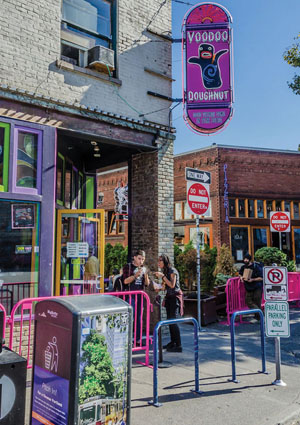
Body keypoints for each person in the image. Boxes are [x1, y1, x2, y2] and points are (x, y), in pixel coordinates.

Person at [155, 254, 183, 353]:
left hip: (175, 297)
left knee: (173, 320)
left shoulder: (172, 270)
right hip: (169, 298)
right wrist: (157, 287)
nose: (158, 263)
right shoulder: (166, 271)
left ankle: (178, 345)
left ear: (165, 262)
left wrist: (162, 277)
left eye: (160, 261)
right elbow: (164, 287)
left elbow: (172, 285)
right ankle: (173, 342)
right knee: (169, 320)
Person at [123, 250, 149, 343]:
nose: (141, 261)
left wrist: (145, 276)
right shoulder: (128, 267)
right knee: (130, 317)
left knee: (139, 318)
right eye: (139, 259)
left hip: (140, 296)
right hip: (131, 295)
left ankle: (137, 339)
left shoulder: (143, 268)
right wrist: (135, 275)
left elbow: (147, 284)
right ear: (134, 257)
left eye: (143, 259)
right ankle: (127, 339)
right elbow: (125, 281)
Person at [239, 253, 263, 319]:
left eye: (247, 259)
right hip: (248, 287)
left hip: (257, 286)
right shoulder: (243, 267)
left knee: (257, 301)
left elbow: (261, 277)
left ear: (249, 260)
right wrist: (241, 278)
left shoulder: (256, 267)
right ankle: (260, 313)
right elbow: (240, 274)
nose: (245, 260)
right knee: (248, 301)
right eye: (244, 259)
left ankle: (258, 317)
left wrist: (253, 279)